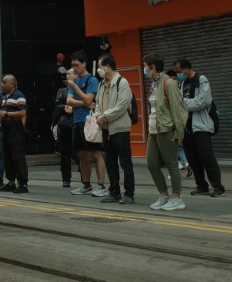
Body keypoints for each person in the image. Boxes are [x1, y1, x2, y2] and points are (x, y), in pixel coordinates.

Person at [171, 59, 224, 197]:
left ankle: (218, 187)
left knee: (207, 157)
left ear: (187, 68)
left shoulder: (201, 79)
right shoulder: (182, 83)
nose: (178, 74)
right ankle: (201, 186)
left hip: (200, 126)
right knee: (193, 159)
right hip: (186, 127)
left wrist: (183, 103)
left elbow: (203, 101)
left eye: (179, 71)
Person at [143, 53, 188, 211]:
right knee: (152, 164)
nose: (144, 70)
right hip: (153, 130)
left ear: (153, 67)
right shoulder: (154, 83)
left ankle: (177, 198)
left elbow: (178, 109)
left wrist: (179, 132)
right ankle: (164, 195)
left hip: (166, 129)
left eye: (146, 66)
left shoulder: (168, 83)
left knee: (171, 164)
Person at [66, 50, 108, 197]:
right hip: (77, 121)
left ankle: (101, 186)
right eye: (72, 65)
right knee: (81, 154)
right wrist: (83, 103)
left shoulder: (92, 80)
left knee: (96, 153)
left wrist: (76, 88)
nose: (74, 68)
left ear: (84, 64)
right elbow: (69, 101)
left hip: (89, 122)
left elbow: (89, 99)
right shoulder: (74, 81)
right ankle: (86, 184)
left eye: (77, 65)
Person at [94, 54, 135, 205]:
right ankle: (114, 192)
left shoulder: (122, 82)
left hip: (120, 128)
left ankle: (129, 194)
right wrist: (99, 118)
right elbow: (97, 104)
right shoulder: (101, 84)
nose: (99, 70)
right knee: (110, 162)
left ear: (108, 67)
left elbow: (121, 106)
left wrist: (104, 118)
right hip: (106, 129)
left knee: (125, 162)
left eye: (100, 67)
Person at [0, 74, 29, 193]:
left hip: (16, 130)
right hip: (5, 131)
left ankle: (23, 184)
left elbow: (23, 113)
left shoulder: (19, 96)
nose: (2, 84)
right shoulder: (3, 96)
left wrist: (6, 114)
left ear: (12, 84)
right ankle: (11, 183)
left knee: (18, 157)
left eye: (4, 82)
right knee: (8, 158)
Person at [51, 79, 75, 188]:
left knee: (79, 153)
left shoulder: (84, 89)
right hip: (66, 124)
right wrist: (64, 107)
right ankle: (66, 179)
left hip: (81, 123)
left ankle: (85, 180)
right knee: (65, 153)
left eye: (70, 74)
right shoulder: (63, 91)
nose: (68, 77)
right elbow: (57, 106)